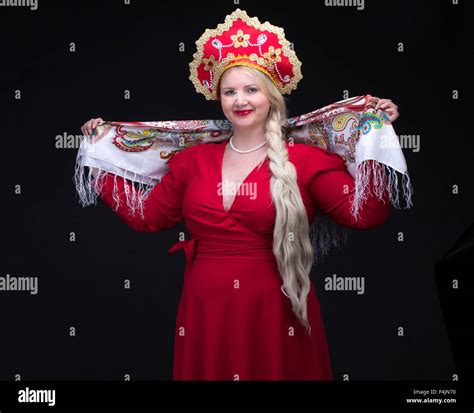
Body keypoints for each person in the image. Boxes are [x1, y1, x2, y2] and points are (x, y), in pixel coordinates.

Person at [79, 9, 400, 381]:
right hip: (205, 311)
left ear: (271, 96)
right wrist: (98, 157)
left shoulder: (307, 161)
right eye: (230, 92)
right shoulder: (192, 161)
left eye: (251, 90)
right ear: (219, 98)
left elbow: (366, 214)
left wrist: (376, 136)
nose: (239, 100)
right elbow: (146, 217)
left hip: (275, 308)